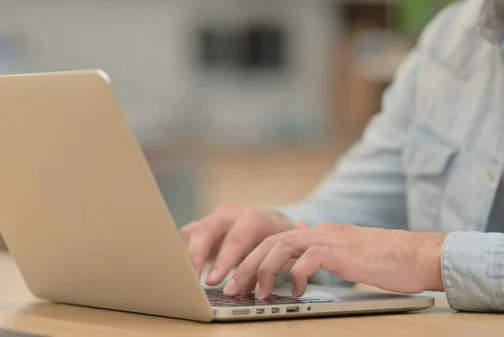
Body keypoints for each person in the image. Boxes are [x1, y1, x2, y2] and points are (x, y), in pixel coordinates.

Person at [180, 0, 504, 313]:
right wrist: (283, 234)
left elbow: (403, 253)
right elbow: (364, 207)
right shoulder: (450, 37)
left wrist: (427, 259)